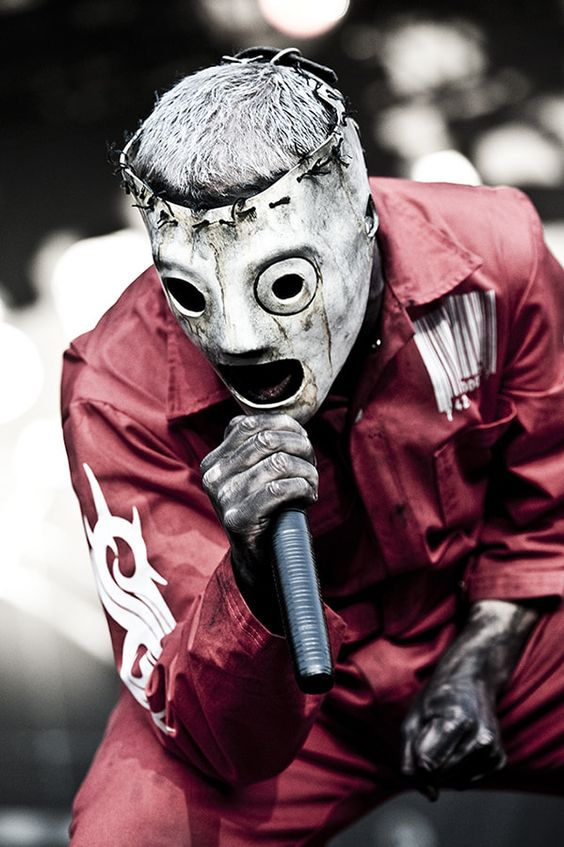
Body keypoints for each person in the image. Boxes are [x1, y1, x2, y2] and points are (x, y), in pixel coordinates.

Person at [61, 47, 564, 846]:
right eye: (190, 292)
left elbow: (547, 501)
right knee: (134, 831)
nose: (237, 339)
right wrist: (252, 577)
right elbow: (208, 726)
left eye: (285, 284)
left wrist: (481, 660)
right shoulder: (117, 390)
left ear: (364, 221)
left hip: (489, 630)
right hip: (279, 703)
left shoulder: (492, 257)